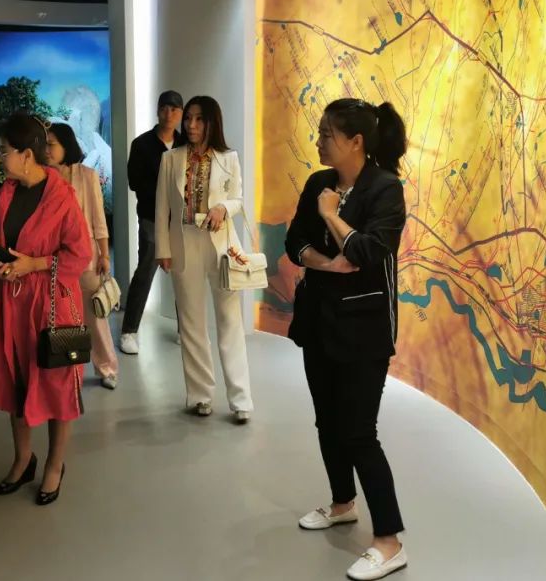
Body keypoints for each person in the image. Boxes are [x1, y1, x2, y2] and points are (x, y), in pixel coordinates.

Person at [284, 98, 409, 580]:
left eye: (326, 134)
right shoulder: (319, 181)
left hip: (364, 329)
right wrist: (327, 264)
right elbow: (294, 241)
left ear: (356, 142)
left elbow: (371, 253)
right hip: (319, 320)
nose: (318, 141)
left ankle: (389, 541)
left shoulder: (385, 188)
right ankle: (342, 504)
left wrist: (332, 217)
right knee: (327, 421)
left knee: (359, 431)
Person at [0, 112, 92, 506]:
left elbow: (80, 254)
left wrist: (35, 264)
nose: (0, 157)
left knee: (57, 386)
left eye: (4, 150)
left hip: (51, 307)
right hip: (12, 304)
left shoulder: (62, 197)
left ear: (26, 155)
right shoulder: (5, 194)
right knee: (17, 381)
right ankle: (22, 459)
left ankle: (54, 465)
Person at [154, 96, 253, 423]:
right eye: (189, 119)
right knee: (192, 323)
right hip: (184, 244)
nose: (191, 125)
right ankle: (200, 395)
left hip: (222, 246)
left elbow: (238, 198)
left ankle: (240, 399)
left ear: (212, 122)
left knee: (230, 322)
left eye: (199, 119)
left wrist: (223, 207)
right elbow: (162, 208)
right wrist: (163, 249)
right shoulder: (170, 158)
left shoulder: (229, 157)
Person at [46, 123, 118, 390]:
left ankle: (107, 367)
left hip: (86, 258)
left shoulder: (87, 175)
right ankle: (68, 368)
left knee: (95, 316)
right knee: (62, 317)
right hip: (54, 259)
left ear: (66, 145)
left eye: (51, 144)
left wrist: (104, 255)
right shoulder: (44, 179)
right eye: (45, 144)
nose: (46, 149)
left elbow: (99, 219)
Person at [118, 90, 186, 355]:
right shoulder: (142, 144)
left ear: (180, 114)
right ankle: (129, 331)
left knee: (183, 272)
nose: (169, 114)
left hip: (181, 220)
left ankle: (185, 329)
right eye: (164, 108)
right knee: (146, 269)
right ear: (158, 111)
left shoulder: (185, 144)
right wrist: (165, 193)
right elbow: (135, 182)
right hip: (151, 217)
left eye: (174, 109)